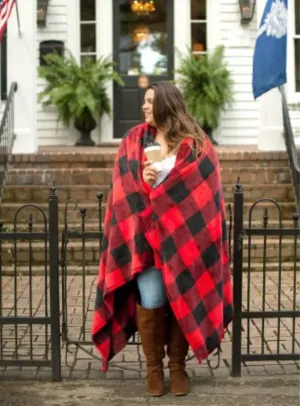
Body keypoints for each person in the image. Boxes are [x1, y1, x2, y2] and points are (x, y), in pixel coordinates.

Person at [92, 82, 233, 397]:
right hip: (145, 239)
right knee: (153, 300)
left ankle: (177, 367)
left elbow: (206, 196)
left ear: (167, 104)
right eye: (143, 101)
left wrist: (165, 192)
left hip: (185, 241)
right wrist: (145, 184)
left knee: (181, 298)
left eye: (150, 101)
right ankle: (154, 368)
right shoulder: (133, 142)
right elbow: (123, 192)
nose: (144, 107)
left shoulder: (197, 146)